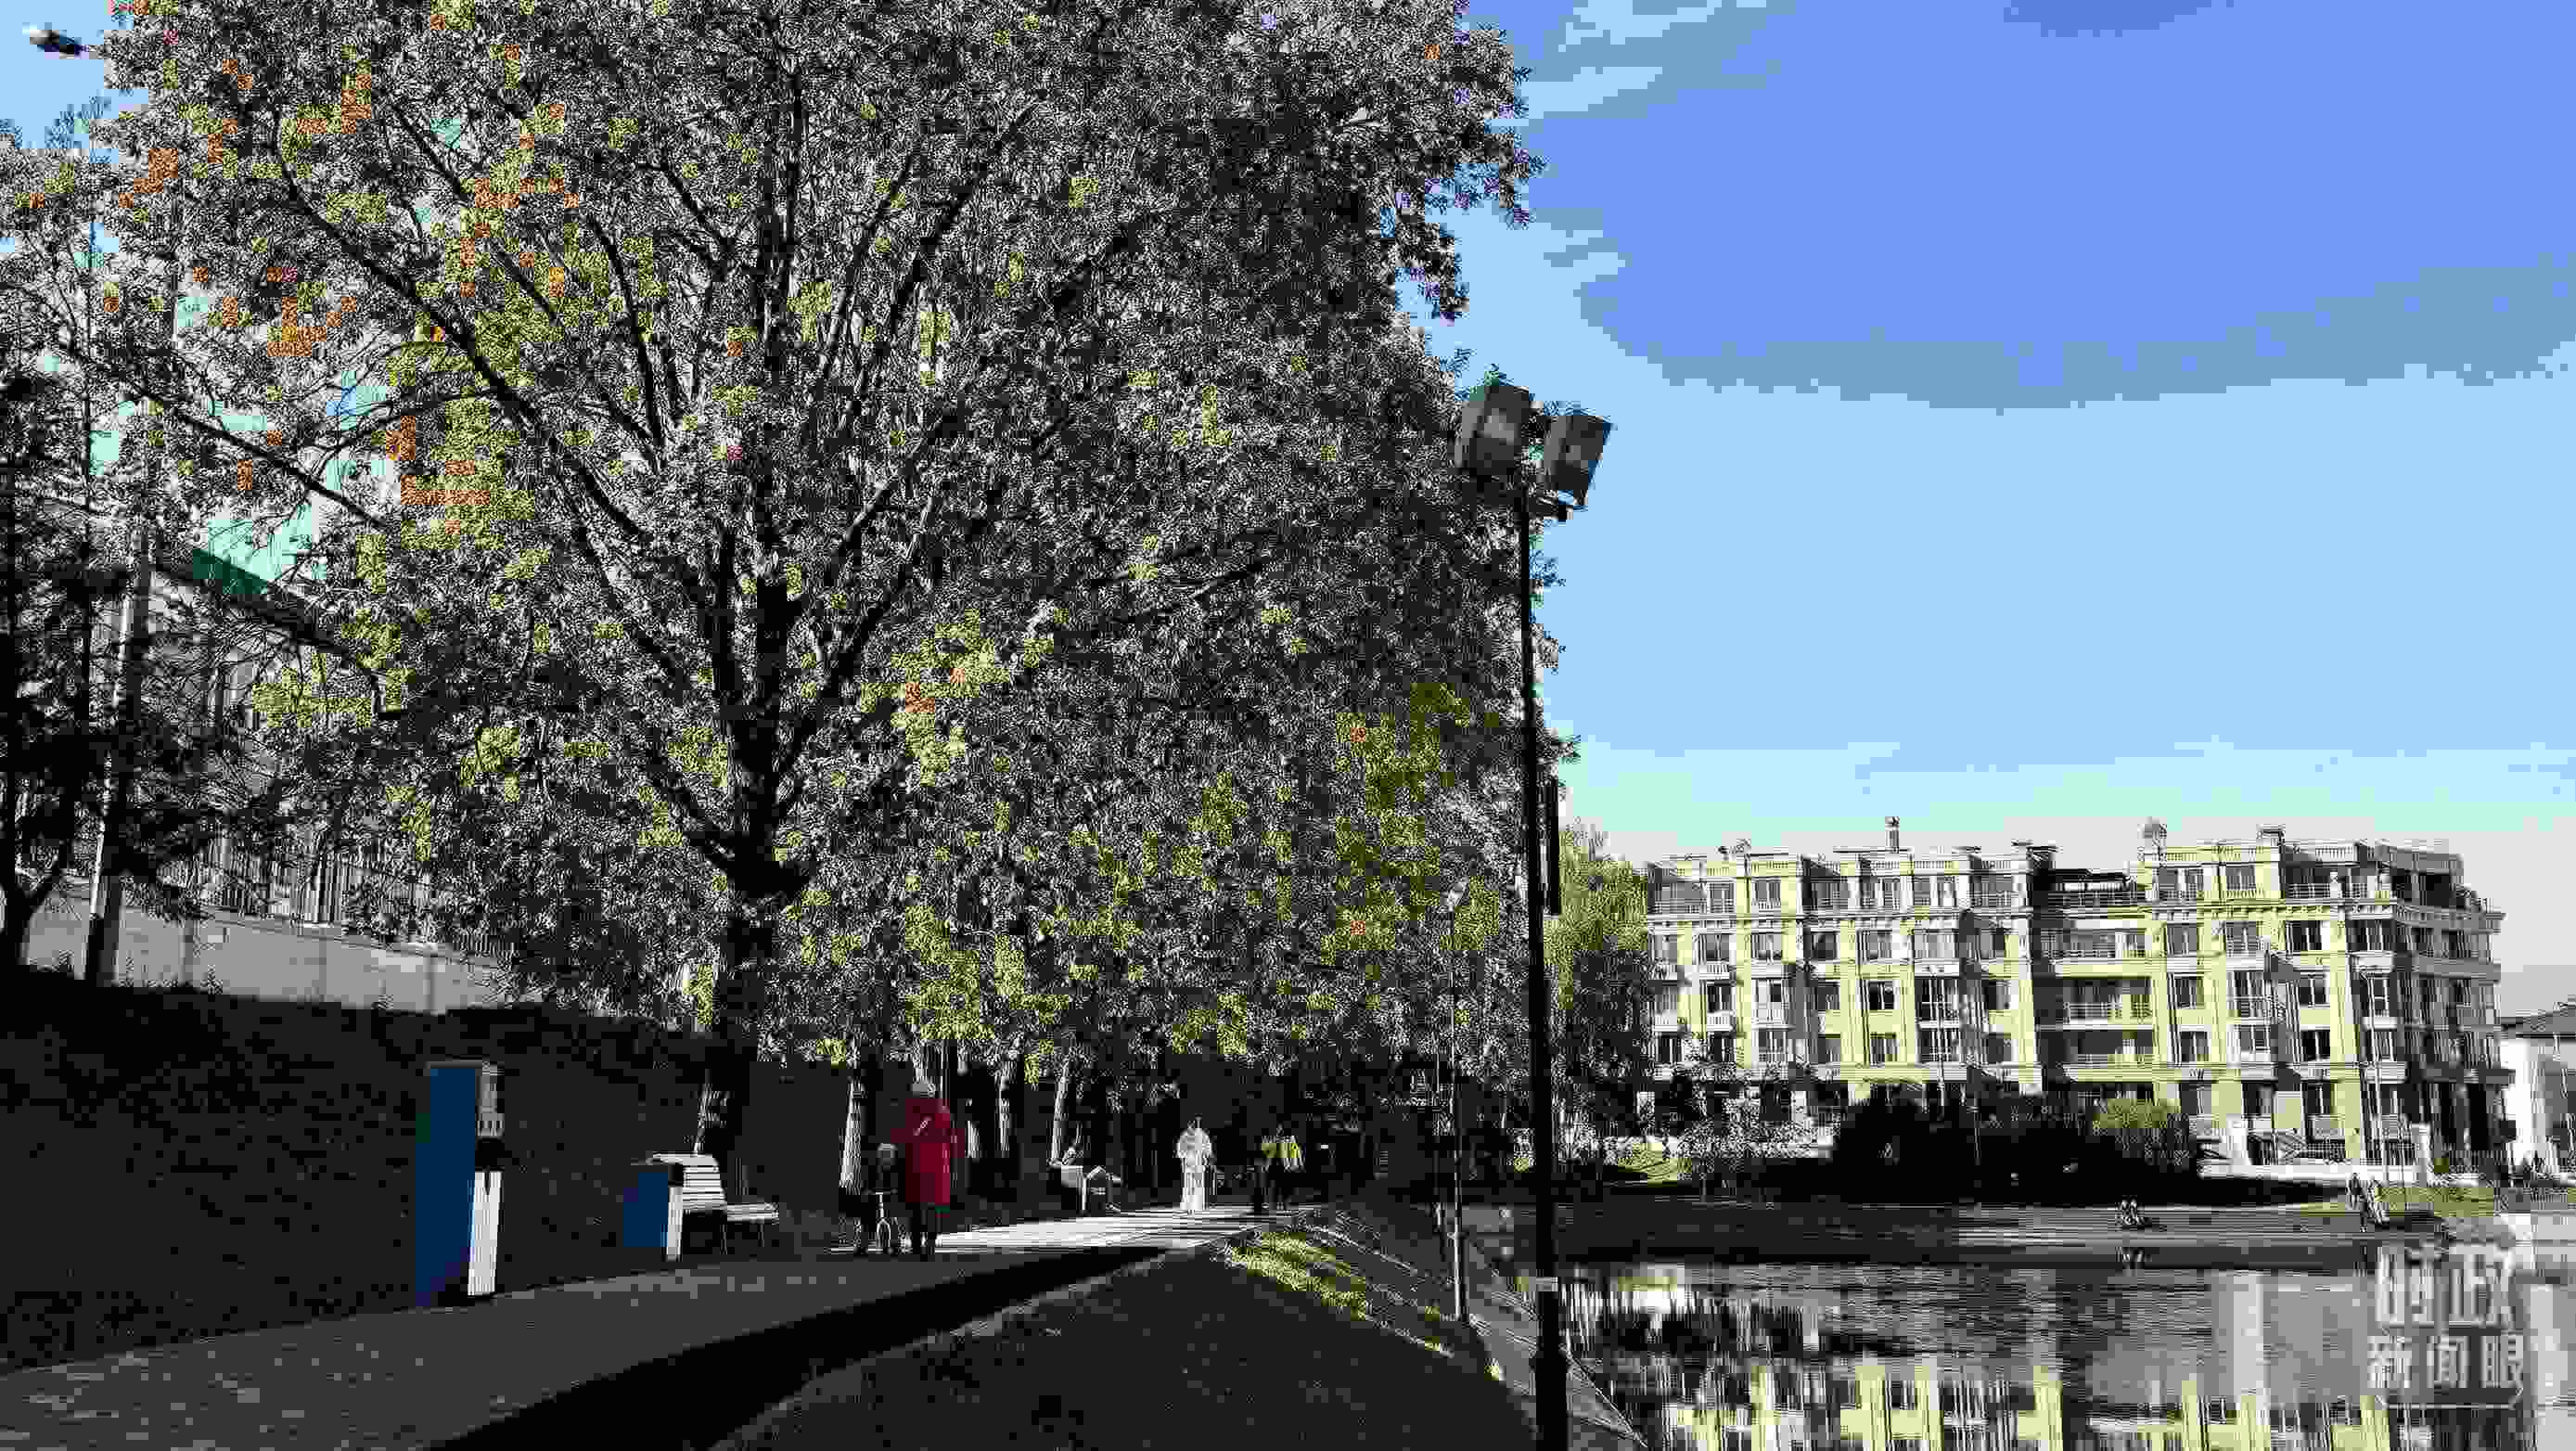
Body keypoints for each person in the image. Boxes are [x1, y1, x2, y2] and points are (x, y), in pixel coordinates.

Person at [899, 1069, 967, 1261]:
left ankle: (915, 1245)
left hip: (914, 1166)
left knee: (914, 1206)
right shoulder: (944, 1113)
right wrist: (953, 1167)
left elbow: (903, 1138)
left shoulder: (910, 1112)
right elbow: (952, 1142)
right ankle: (930, 1245)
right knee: (932, 1208)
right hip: (938, 1168)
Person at [1176, 1117, 1215, 1211]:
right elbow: (1181, 1150)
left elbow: (1207, 1146)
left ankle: (1198, 1205)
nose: (1192, 1125)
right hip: (1189, 1163)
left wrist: (1206, 1156)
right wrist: (1183, 1160)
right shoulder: (1185, 1136)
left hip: (1199, 1162)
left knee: (1199, 1184)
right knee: (1188, 1185)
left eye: (1194, 1123)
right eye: (1191, 1124)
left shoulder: (1201, 1134)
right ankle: (1187, 1206)